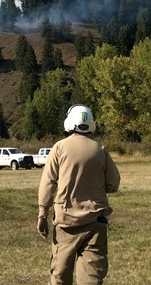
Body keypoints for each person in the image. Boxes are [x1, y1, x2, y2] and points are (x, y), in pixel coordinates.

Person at [37, 105, 120, 285]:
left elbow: (48, 182)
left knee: (60, 276)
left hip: (66, 224)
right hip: (96, 223)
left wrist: (42, 213)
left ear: (70, 122)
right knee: (91, 278)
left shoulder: (59, 147)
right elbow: (113, 184)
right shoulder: (100, 150)